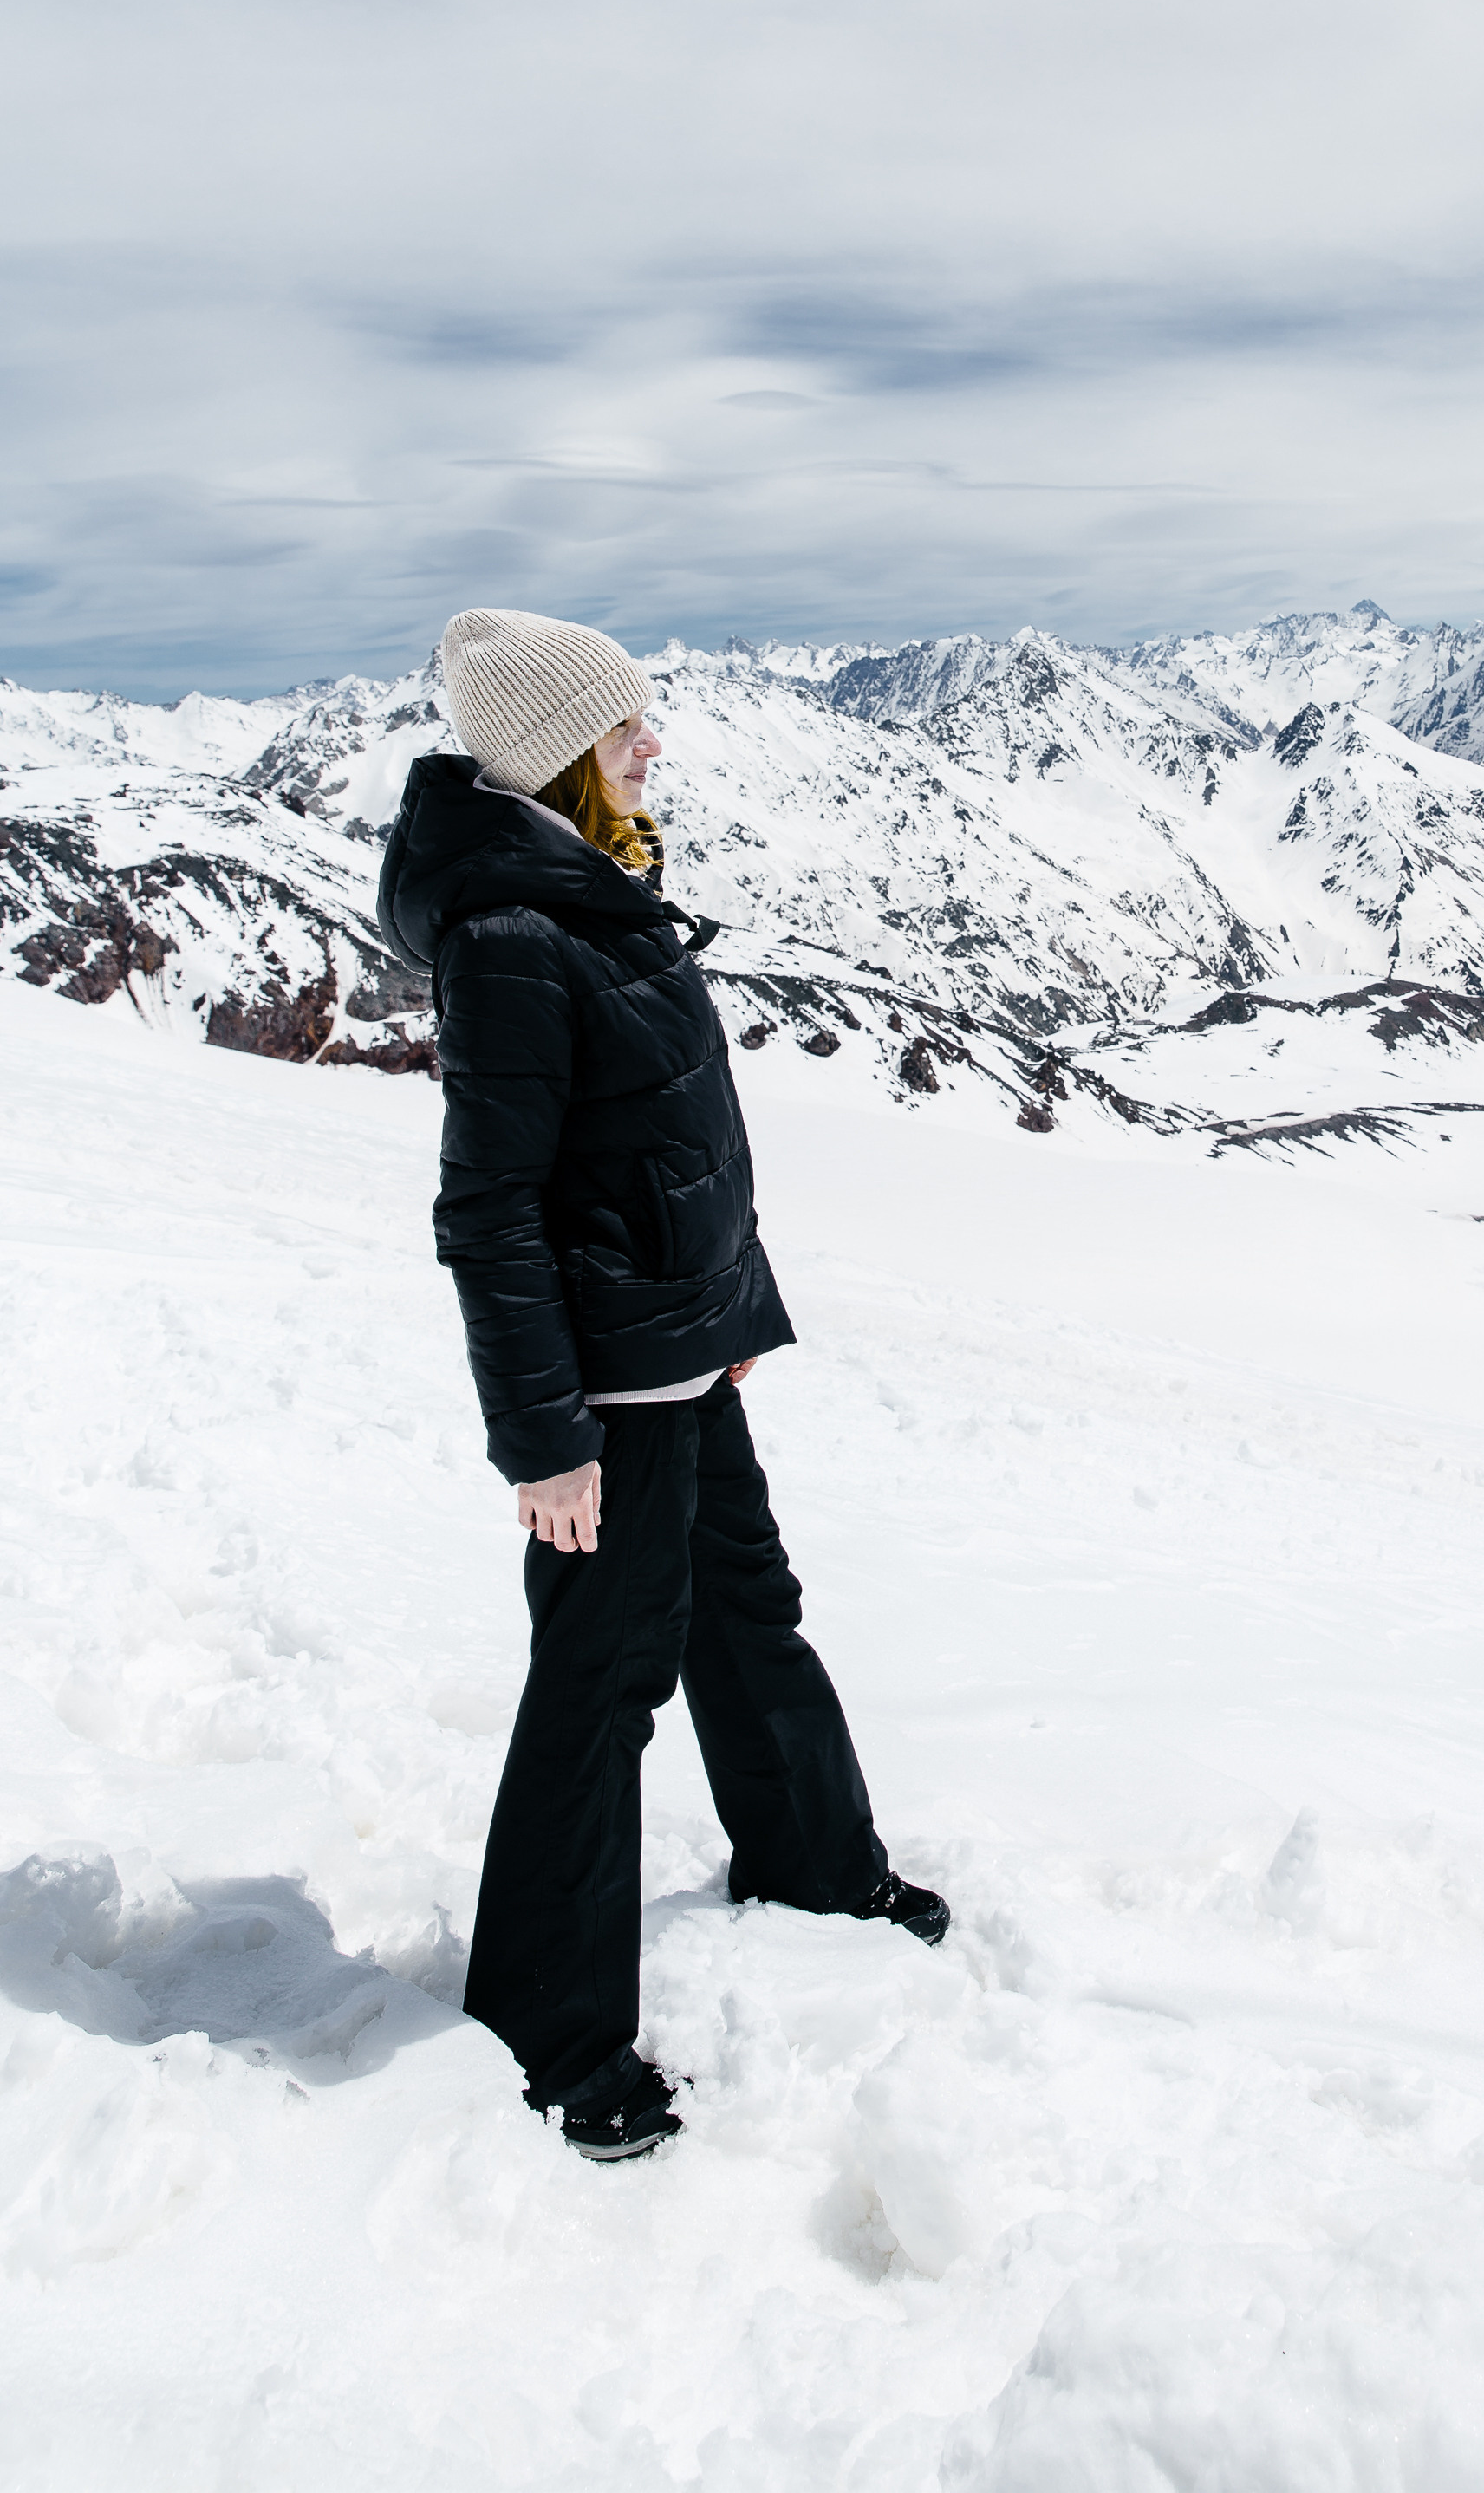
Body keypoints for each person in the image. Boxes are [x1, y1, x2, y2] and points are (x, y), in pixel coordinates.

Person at [377, 603, 946, 2165]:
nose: (653, 742)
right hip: (609, 1400)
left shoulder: (588, 892)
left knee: (749, 1615)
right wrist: (545, 1442)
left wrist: (731, 1307)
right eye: (625, 724)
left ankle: (816, 1863)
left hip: (684, 1358)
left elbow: (675, 1142)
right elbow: (490, 1213)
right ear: (560, 751)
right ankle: (550, 2030)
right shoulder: (511, 935)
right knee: (599, 1688)